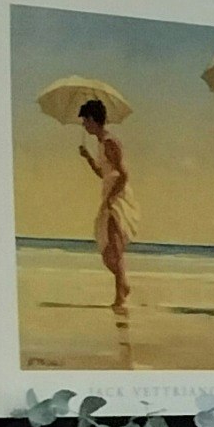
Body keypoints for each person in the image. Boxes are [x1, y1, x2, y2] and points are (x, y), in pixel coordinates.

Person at [74, 97, 134, 318]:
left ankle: (120, 296)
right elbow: (103, 173)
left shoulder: (110, 142)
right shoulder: (101, 144)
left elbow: (124, 175)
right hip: (108, 195)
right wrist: (88, 157)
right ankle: (123, 285)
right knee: (106, 250)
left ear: (92, 119)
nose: (83, 125)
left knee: (114, 247)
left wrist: (111, 199)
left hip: (117, 197)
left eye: (85, 120)